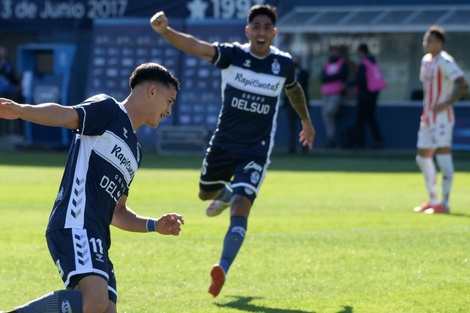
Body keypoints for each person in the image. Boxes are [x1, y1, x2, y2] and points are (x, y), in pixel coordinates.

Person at [150, 4, 315, 298]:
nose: (261, 32)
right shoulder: (234, 56)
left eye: (267, 28)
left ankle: (222, 268)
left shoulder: (283, 63)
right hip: (223, 144)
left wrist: (305, 120)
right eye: (257, 27)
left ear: (274, 33)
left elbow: (294, 89)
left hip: (256, 151)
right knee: (205, 193)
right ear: (247, 31)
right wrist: (166, 31)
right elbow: (197, 47)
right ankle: (223, 194)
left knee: (242, 206)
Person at [0, 62, 184, 313]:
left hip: (96, 236)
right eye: (169, 101)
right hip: (74, 222)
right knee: (94, 300)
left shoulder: (136, 151)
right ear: (152, 92)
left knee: (106, 309)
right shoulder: (108, 110)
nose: (170, 111)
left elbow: (117, 212)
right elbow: (66, 115)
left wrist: (154, 225)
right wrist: (22, 110)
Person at [413, 25, 469, 214]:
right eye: (425, 40)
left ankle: (444, 204)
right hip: (427, 117)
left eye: (429, 40)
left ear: (439, 43)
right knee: (422, 157)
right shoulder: (426, 61)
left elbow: (463, 84)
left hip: (443, 119)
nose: (425, 44)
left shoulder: (445, 61)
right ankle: (432, 199)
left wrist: (448, 102)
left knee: (443, 156)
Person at [348, 43, 386, 149]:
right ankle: (379, 140)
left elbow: (360, 80)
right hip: (373, 94)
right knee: (371, 119)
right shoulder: (373, 62)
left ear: (361, 52)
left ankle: (360, 143)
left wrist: (348, 84)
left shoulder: (364, 64)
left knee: (360, 120)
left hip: (364, 95)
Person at [320, 45, 348, 148]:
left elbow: (341, 75)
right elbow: (322, 77)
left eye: (335, 51)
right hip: (326, 93)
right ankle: (331, 138)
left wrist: (330, 77)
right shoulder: (327, 63)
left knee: (329, 111)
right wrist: (332, 77)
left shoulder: (342, 63)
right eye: (332, 51)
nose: (333, 53)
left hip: (336, 92)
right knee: (326, 116)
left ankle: (338, 112)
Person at [283, 55, 310, 153]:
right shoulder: (287, 74)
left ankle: (304, 148)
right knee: (292, 128)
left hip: (301, 106)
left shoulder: (304, 74)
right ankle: (292, 148)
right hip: (290, 105)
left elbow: (301, 87)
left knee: (303, 127)